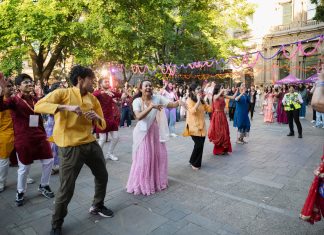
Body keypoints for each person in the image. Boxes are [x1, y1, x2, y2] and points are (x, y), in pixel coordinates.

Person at [34, 65, 112, 235]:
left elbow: (103, 122)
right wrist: (65, 107)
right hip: (69, 146)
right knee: (66, 188)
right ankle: (57, 223)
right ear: (80, 79)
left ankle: (97, 205)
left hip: (90, 143)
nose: (94, 83)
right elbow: (39, 106)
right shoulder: (63, 93)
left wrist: (97, 118)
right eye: (92, 79)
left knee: (102, 175)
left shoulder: (93, 99)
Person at [0, 74, 54, 207]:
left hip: (39, 136)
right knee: (24, 167)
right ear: (18, 87)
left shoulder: (36, 99)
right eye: (25, 82)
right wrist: (1, 92)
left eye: (30, 82)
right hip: (23, 138)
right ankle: (20, 192)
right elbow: (1, 107)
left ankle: (44, 185)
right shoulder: (13, 101)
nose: (29, 84)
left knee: (49, 160)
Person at [126, 80, 185, 195]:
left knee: (158, 156)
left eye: (150, 85)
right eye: (146, 85)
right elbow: (138, 116)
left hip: (154, 132)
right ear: (141, 89)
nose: (148, 87)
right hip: (142, 133)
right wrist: (151, 107)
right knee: (144, 159)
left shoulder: (157, 98)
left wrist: (180, 102)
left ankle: (155, 181)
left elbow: (171, 105)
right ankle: (142, 184)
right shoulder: (137, 101)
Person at [183, 83, 212, 170]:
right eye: (197, 89)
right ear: (192, 91)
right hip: (192, 126)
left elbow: (209, 109)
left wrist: (210, 99)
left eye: (200, 88)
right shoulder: (189, 100)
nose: (200, 90)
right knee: (198, 144)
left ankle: (194, 161)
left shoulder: (202, 100)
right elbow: (192, 111)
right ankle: (194, 163)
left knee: (200, 145)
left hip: (201, 126)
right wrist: (198, 101)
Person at [93, 78, 121, 161]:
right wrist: (104, 92)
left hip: (111, 119)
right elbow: (92, 96)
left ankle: (109, 153)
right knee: (102, 139)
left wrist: (125, 92)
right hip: (101, 119)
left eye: (108, 81)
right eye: (105, 82)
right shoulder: (97, 93)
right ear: (100, 84)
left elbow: (120, 95)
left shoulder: (111, 92)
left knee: (116, 137)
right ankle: (97, 157)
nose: (108, 83)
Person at [208, 85, 232, 155]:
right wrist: (222, 91)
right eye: (221, 88)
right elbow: (216, 97)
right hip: (217, 115)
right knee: (219, 132)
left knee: (224, 131)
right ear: (218, 89)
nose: (223, 89)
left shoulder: (222, 96)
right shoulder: (215, 96)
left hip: (223, 115)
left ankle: (224, 148)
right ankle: (218, 150)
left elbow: (232, 97)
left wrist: (238, 91)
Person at [0, 78, 14, 192]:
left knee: (22, 159)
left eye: (11, 86)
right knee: (3, 160)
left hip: (17, 134)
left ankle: (25, 176)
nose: (11, 88)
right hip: (5, 136)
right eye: (7, 86)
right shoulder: (3, 103)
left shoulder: (15, 100)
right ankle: (1, 182)